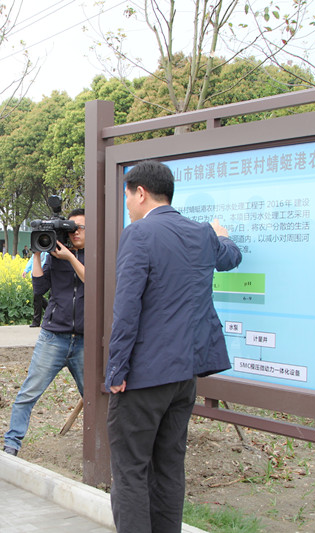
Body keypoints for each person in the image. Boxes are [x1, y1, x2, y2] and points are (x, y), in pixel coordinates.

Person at [105, 160, 242, 533]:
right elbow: (231, 257)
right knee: (168, 467)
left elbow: (127, 309)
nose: (127, 205)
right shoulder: (202, 233)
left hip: (143, 377)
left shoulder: (139, 234)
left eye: (127, 196)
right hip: (185, 377)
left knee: (130, 469)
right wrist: (223, 235)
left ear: (141, 193)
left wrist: (116, 371)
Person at [3, 209, 86, 456]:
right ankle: (12, 443)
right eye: (72, 228)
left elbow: (94, 282)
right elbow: (39, 288)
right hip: (54, 337)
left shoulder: (95, 254)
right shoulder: (56, 254)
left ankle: (104, 444)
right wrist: (38, 255)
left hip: (84, 340)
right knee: (28, 393)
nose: (76, 232)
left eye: (81, 228)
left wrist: (70, 258)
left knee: (93, 397)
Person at [22, 251, 49, 328]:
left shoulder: (49, 250)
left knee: (37, 296)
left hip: (45, 274)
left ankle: (38, 320)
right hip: (36, 276)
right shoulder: (38, 249)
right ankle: (47, 312)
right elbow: (32, 259)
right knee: (37, 296)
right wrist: (26, 270)